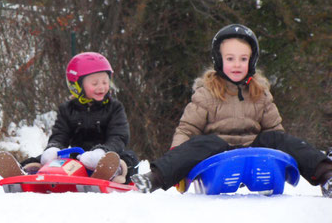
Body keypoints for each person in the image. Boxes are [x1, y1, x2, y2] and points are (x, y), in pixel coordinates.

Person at [131, 24, 332, 197]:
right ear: (219, 60)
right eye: (230, 59)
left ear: (252, 61)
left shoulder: (261, 93)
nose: (237, 64)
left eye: (243, 59)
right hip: (218, 157)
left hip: (255, 154)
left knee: (278, 138)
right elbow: (187, 129)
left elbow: (275, 131)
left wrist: (280, 160)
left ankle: (327, 176)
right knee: (206, 142)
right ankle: (154, 179)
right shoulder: (206, 93)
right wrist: (176, 160)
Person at [0, 52, 139, 183]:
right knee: (45, 156)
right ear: (77, 86)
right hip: (78, 159)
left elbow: (118, 137)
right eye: (94, 83)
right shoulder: (68, 109)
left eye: (105, 82)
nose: (101, 87)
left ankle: (114, 173)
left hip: (107, 155)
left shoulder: (114, 108)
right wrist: (53, 149)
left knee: (129, 158)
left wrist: (102, 152)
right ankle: (27, 171)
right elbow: (60, 135)